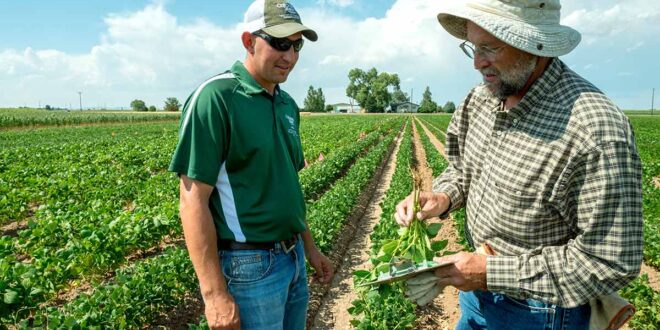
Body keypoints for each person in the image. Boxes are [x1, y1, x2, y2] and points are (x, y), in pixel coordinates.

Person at [395, 0, 643, 329]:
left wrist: (491, 273)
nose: (478, 63)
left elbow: (609, 261)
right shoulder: (479, 100)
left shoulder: (594, 130)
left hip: (541, 312)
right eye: (472, 46)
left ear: (534, 43)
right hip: (476, 295)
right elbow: (460, 170)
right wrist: (442, 197)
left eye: (490, 47)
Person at [168, 1, 333, 329]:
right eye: (280, 43)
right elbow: (192, 199)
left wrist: (309, 247)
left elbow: (286, 185)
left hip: (293, 258)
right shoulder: (216, 97)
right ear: (248, 41)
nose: (289, 56)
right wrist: (214, 295)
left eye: (297, 46)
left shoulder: (286, 104)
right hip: (249, 266)